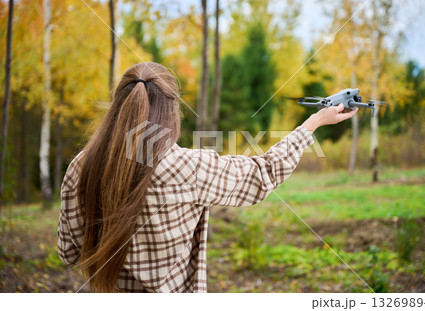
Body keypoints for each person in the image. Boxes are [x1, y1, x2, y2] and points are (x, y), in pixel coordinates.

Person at [57, 62, 358, 293]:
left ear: (118, 107)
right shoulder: (188, 168)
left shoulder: (80, 166)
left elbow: (68, 253)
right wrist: (315, 122)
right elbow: (263, 172)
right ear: (171, 111)